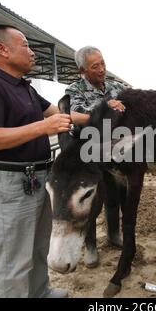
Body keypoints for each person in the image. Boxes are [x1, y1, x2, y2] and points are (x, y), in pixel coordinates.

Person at [0, 24, 71, 298]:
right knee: (14, 257)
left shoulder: (24, 88)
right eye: (25, 44)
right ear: (2, 49)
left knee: (39, 246)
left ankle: (40, 292)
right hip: (9, 182)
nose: (32, 52)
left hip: (37, 178)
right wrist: (42, 128)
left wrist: (105, 112)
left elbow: (60, 116)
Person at [63, 46, 126, 248]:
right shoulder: (74, 90)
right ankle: (90, 245)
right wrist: (107, 108)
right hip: (89, 152)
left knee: (114, 195)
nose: (101, 69)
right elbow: (79, 115)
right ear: (82, 71)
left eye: (103, 63)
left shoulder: (116, 87)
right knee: (91, 201)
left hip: (114, 151)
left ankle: (113, 235)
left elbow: (130, 107)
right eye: (95, 66)